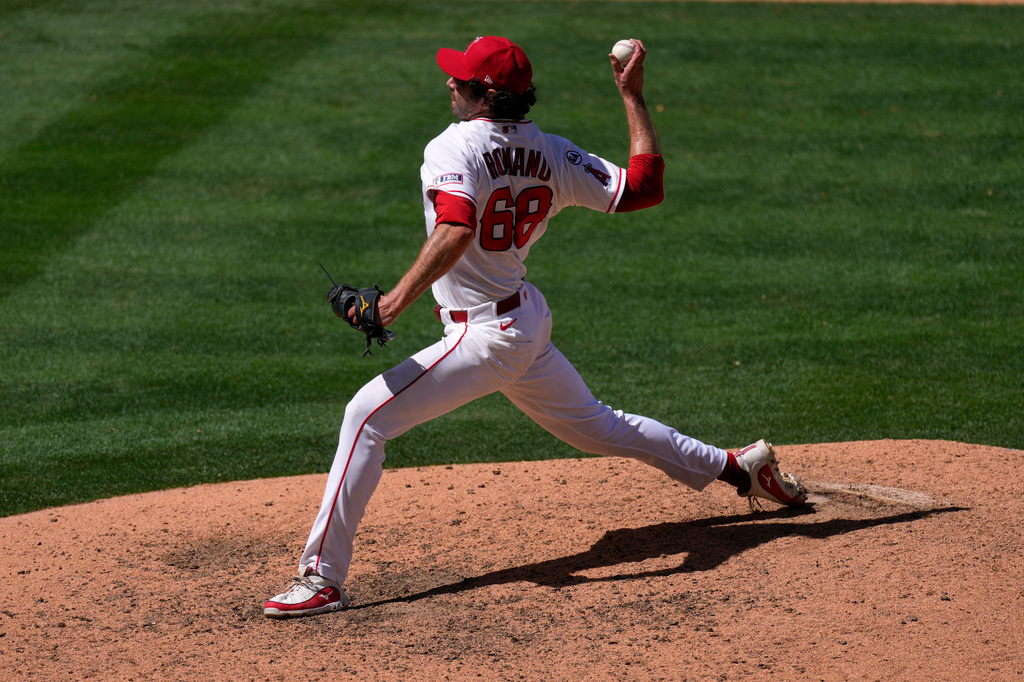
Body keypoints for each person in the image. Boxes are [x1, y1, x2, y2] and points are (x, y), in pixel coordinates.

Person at [264, 36, 806, 619]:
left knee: (365, 417)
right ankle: (737, 467)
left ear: (484, 94)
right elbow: (644, 189)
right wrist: (633, 98)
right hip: (523, 320)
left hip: (486, 337)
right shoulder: (553, 152)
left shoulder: (453, 147)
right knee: (599, 426)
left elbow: (455, 228)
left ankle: (322, 578)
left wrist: (391, 303)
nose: (450, 83)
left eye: (461, 79)